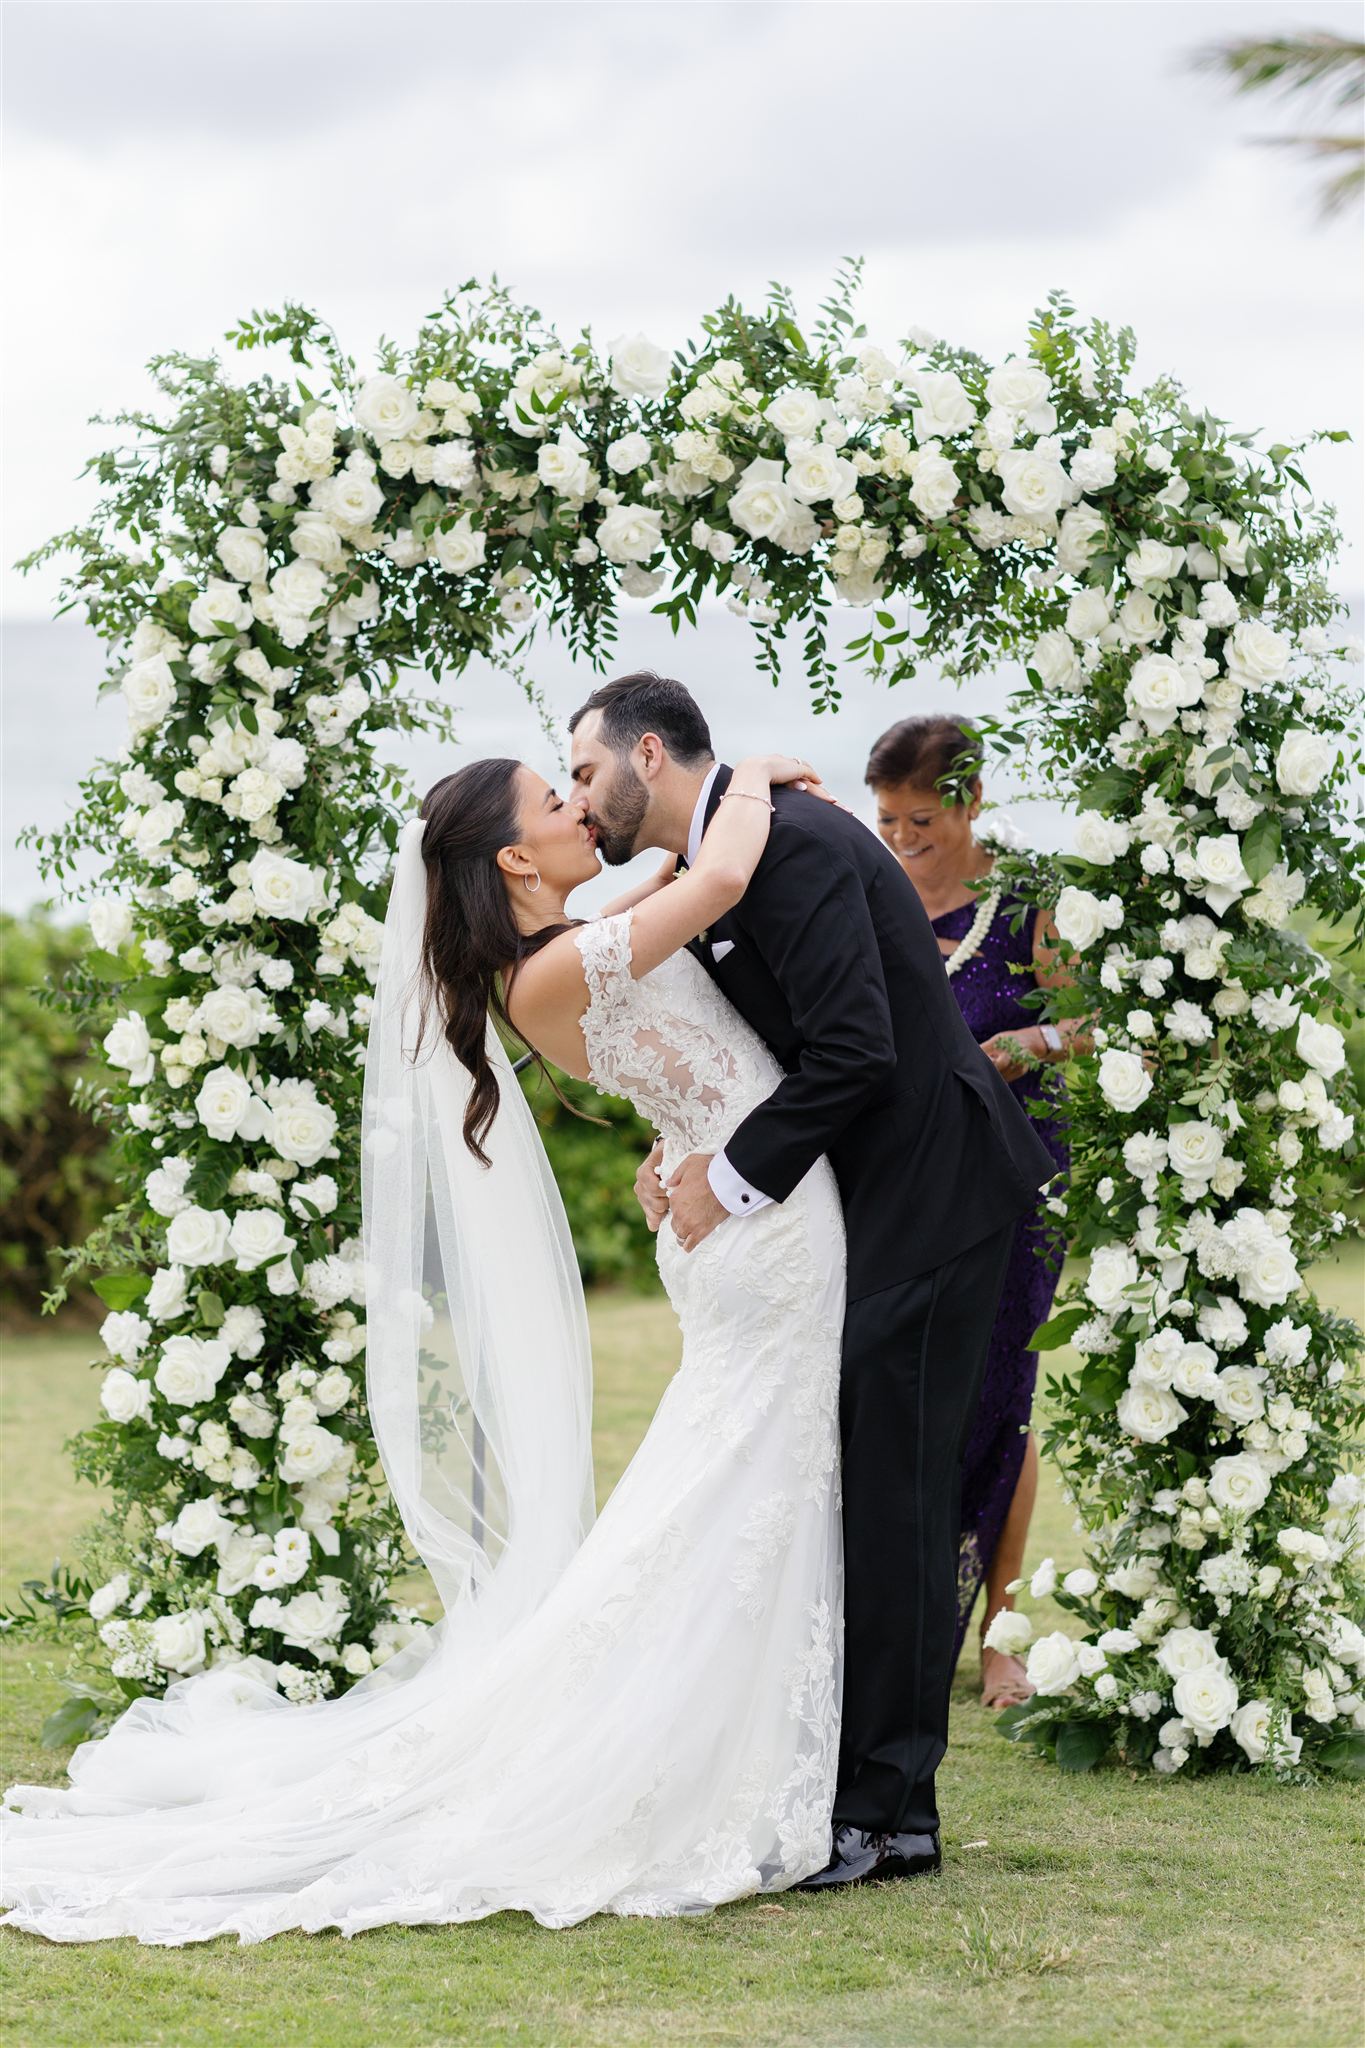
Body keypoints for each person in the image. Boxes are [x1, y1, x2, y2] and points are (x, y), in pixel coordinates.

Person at [2, 744, 853, 1942]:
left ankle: (721, 1724)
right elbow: (712, 885)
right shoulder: (548, 974)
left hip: (737, 1205)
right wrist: (752, 782)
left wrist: (690, 831)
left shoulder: (570, 944)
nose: (580, 808)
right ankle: (678, 1745)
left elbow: (677, 899)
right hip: (761, 1231)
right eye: (558, 802)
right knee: (735, 1482)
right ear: (515, 855)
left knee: (729, 1482)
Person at [575, 673, 1057, 1890]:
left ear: (648, 750)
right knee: (871, 1493)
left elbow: (854, 1049)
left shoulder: (786, 846)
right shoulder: (746, 838)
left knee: (898, 1502)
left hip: (936, 1200)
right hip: (877, 1209)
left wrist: (724, 1179)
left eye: (584, 772)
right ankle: (864, 1791)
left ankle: (893, 1818)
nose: (581, 799)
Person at [865, 714, 1079, 1713]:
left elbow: (1095, 1020)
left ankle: (1000, 1635)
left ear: (971, 800)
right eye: (888, 819)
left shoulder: (1028, 903)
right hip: (902, 1181)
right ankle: (898, 1611)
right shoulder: (872, 897)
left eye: (922, 818)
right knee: (898, 1394)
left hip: (1015, 1180)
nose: (903, 837)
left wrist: (1023, 1043)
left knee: (1000, 1392)